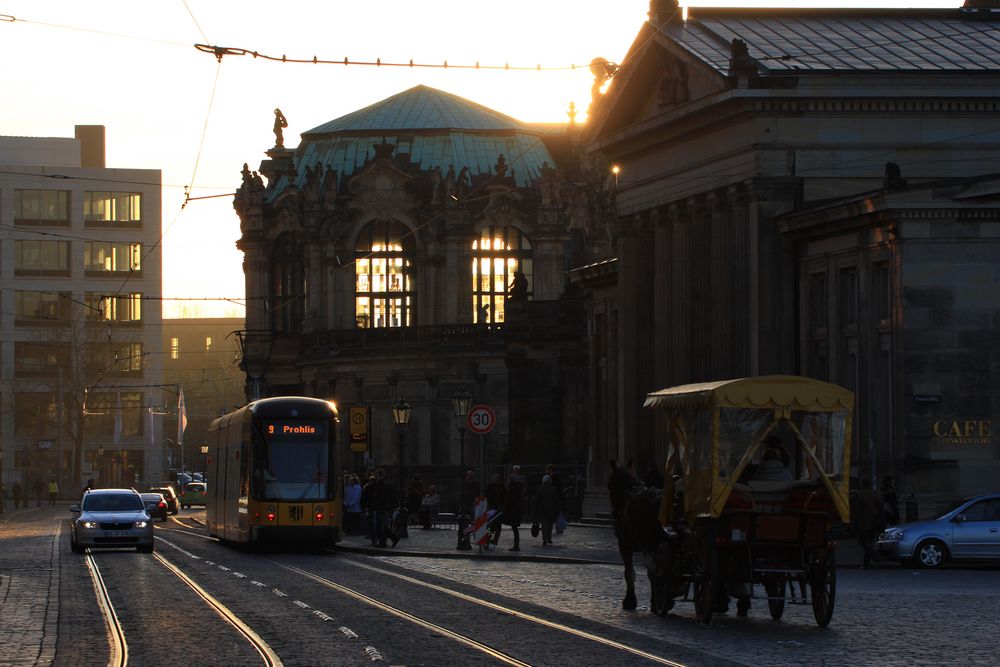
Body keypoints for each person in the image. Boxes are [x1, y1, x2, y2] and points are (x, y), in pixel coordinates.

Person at [853, 478, 885, 569]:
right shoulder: (876, 494)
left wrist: (853, 523)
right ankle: (867, 563)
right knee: (869, 542)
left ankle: (875, 557)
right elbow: (881, 508)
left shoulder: (859, 495)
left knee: (865, 543)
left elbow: (856, 510)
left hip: (863, 523)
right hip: (874, 522)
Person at [372, 469, 398, 548]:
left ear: (380, 475)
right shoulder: (384, 484)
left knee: (381, 526)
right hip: (384, 508)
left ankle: (383, 542)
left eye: (376, 476)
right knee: (383, 526)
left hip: (383, 508)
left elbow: (382, 498)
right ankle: (394, 538)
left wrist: (377, 505)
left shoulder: (383, 484)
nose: (375, 478)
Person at [533, 475, 561, 545]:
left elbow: (537, 500)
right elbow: (557, 500)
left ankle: (544, 539)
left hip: (543, 509)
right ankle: (549, 538)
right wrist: (559, 509)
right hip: (552, 509)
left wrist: (535, 510)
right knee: (550, 524)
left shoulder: (541, 489)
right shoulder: (553, 489)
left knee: (544, 524)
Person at [504, 467, 525, 551]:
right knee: (515, 528)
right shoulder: (518, 488)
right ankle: (516, 545)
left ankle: (516, 546)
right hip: (516, 509)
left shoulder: (513, 489)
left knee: (514, 528)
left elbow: (510, 499)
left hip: (513, 510)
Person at [485, 473, 507, 547]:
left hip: (499, 508)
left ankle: (495, 540)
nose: (496, 480)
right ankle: (488, 538)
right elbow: (486, 496)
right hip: (492, 507)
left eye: (497, 478)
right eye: (495, 478)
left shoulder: (502, 487)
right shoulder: (490, 487)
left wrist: (502, 506)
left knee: (498, 525)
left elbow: (504, 497)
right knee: (491, 525)